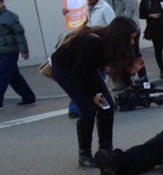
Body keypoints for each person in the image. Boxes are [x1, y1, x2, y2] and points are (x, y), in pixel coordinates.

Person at [48, 16, 144, 167]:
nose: (132, 42)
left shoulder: (111, 43)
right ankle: (84, 154)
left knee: (108, 105)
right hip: (66, 70)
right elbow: (79, 72)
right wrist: (93, 95)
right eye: (130, 38)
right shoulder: (92, 43)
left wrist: (130, 73)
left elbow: (111, 69)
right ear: (120, 36)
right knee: (88, 110)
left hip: (86, 68)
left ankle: (105, 149)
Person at [105, 0, 148, 83]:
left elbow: (130, 7)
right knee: (135, 55)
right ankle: (144, 82)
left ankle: (133, 83)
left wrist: (120, 22)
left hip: (127, 29)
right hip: (134, 27)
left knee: (128, 56)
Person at [0, 0, 35, 109]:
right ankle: (28, 97)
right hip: (3, 50)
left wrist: (24, 51)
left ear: (2, 3)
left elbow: (19, 33)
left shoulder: (9, 16)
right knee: (13, 76)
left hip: (9, 51)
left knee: (3, 74)